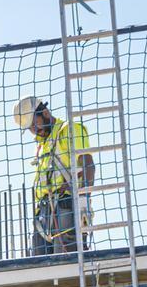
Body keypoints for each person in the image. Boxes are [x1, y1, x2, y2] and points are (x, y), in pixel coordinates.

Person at [13, 96, 95, 256]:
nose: (35, 131)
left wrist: (83, 201)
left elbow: (88, 166)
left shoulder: (69, 130)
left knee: (66, 263)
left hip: (66, 206)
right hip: (43, 214)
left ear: (44, 112)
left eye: (34, 124)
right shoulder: (42, 145)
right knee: (39, 267)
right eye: (30, 128)